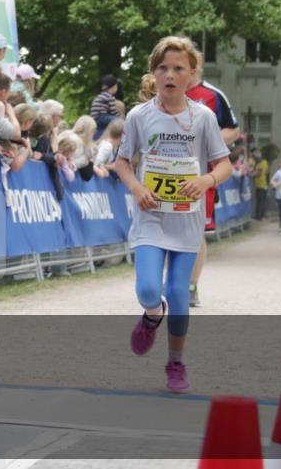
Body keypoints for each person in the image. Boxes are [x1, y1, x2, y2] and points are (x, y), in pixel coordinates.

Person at [114, 36, 231, 392]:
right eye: (163, 68)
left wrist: (206, 180)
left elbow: (224, 164)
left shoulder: (203, 118)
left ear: (191, 75)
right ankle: (152, 315)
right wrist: (137, 188)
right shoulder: (139, 116)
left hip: (186, 221)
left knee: (178, 292)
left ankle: (176, 363)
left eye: (178, 68)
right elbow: (121, 163)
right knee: (150, 290)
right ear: (154, 72)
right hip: (151, 217)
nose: (170, 74)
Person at [184, 52, 241, 308]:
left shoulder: (212, 96)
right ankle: (171, 282)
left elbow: (234, 130)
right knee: (164, 230)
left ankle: (191, 286)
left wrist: (210, 142)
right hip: (165, 174)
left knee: (196, 232)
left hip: (201, 174)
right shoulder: (160, 92)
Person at [91, 73, 125, 139]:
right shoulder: (110, 97)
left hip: (95, 117)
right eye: (116, 86)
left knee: (101, 128)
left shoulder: (100, 95)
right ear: (113, 87)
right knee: (117, 120)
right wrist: (118, 116)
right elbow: (113, 111)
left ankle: (97, 137)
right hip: (101, 116)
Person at [251, 148, 270, 221]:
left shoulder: (260, 163)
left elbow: (259, 173)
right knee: (262, 201)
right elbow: (267, 172)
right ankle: (262, 215)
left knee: (260, 201)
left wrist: (251, 174)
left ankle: (258, 216)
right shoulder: (265, 162)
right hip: (264, 183)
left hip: (260, 184)